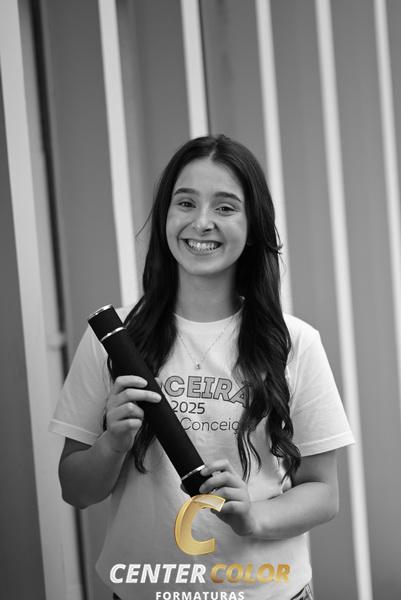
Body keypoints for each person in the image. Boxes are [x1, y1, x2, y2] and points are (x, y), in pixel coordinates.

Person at [50, 134, 354, 600]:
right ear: (165, 216)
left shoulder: (294, 342)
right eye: (185, 203)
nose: (202, 222)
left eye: (225, 207)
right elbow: (76, 490)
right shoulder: (115, 339)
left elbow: (324, 493)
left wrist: (254, 516)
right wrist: (112, 443)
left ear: (253, 225)